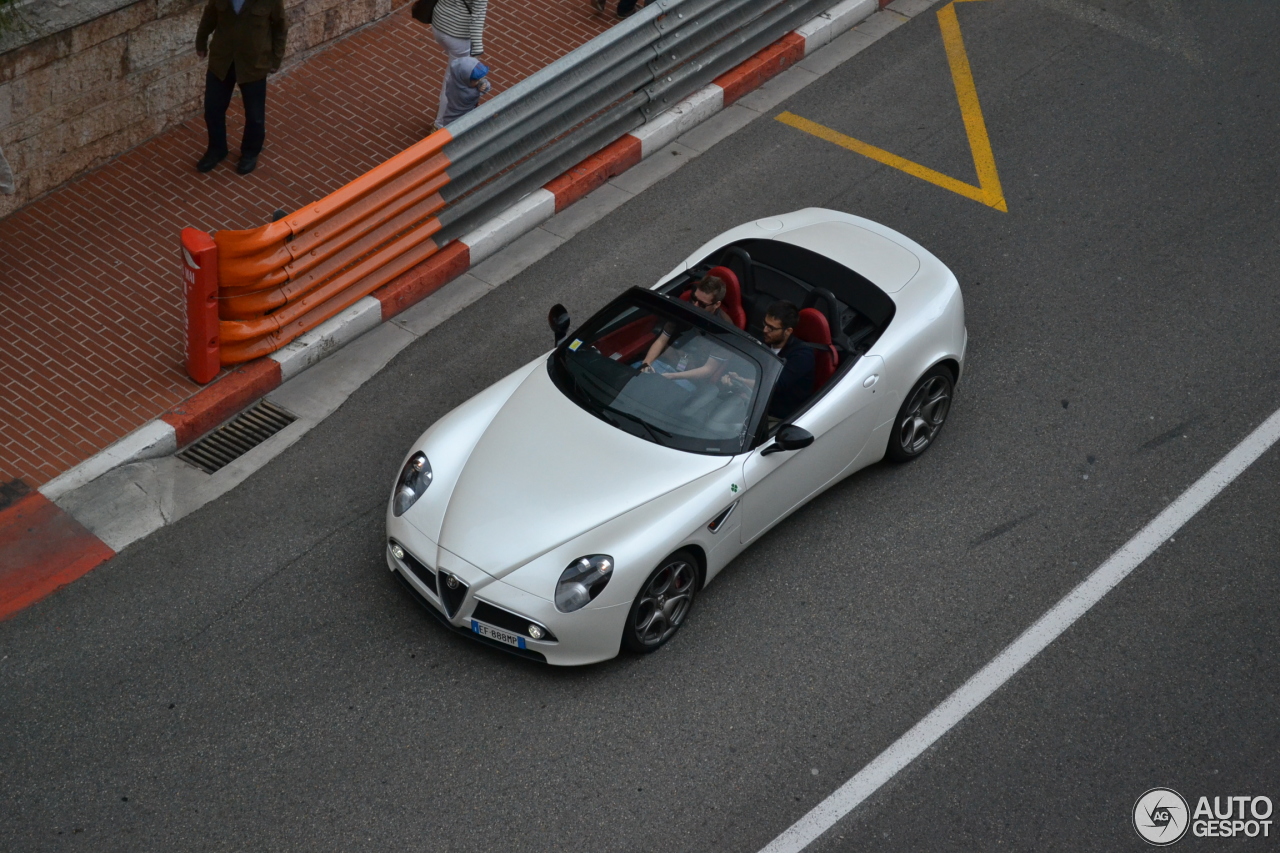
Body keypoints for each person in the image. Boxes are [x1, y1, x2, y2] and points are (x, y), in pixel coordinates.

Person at [195, 0, 288, 175]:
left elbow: (280, 28)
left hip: (253, 64)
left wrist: (276, 59)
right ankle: (217, 149)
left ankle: (250, 152)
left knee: (255, 116)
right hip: (222, 61)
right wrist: (201, 41)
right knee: (213, 109)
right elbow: (209, 16)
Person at [639, 274, 732, 374]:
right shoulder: (684, 309)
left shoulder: (724, 329)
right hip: (668, 362)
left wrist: (672, 376)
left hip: (690, 377)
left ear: (717, 304)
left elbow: (708, 370)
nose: (695, 306)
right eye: (694, 299)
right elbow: (662, 340)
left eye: (702, 304)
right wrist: (646, 363)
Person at [430, 0, 489, 130]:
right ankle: (440, 126)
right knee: (453, 82)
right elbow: (477, 19)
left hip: (438, 25)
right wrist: (477, 50)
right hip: (458, 36)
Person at [438, 57, 492, 126]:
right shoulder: (468, 95)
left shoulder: (454, 79)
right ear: (465, 78)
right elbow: (486, 89)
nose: (479, 82)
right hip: (458, 120)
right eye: (476, 80)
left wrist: (481, 82)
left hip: (450, 115)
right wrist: (485, 85)